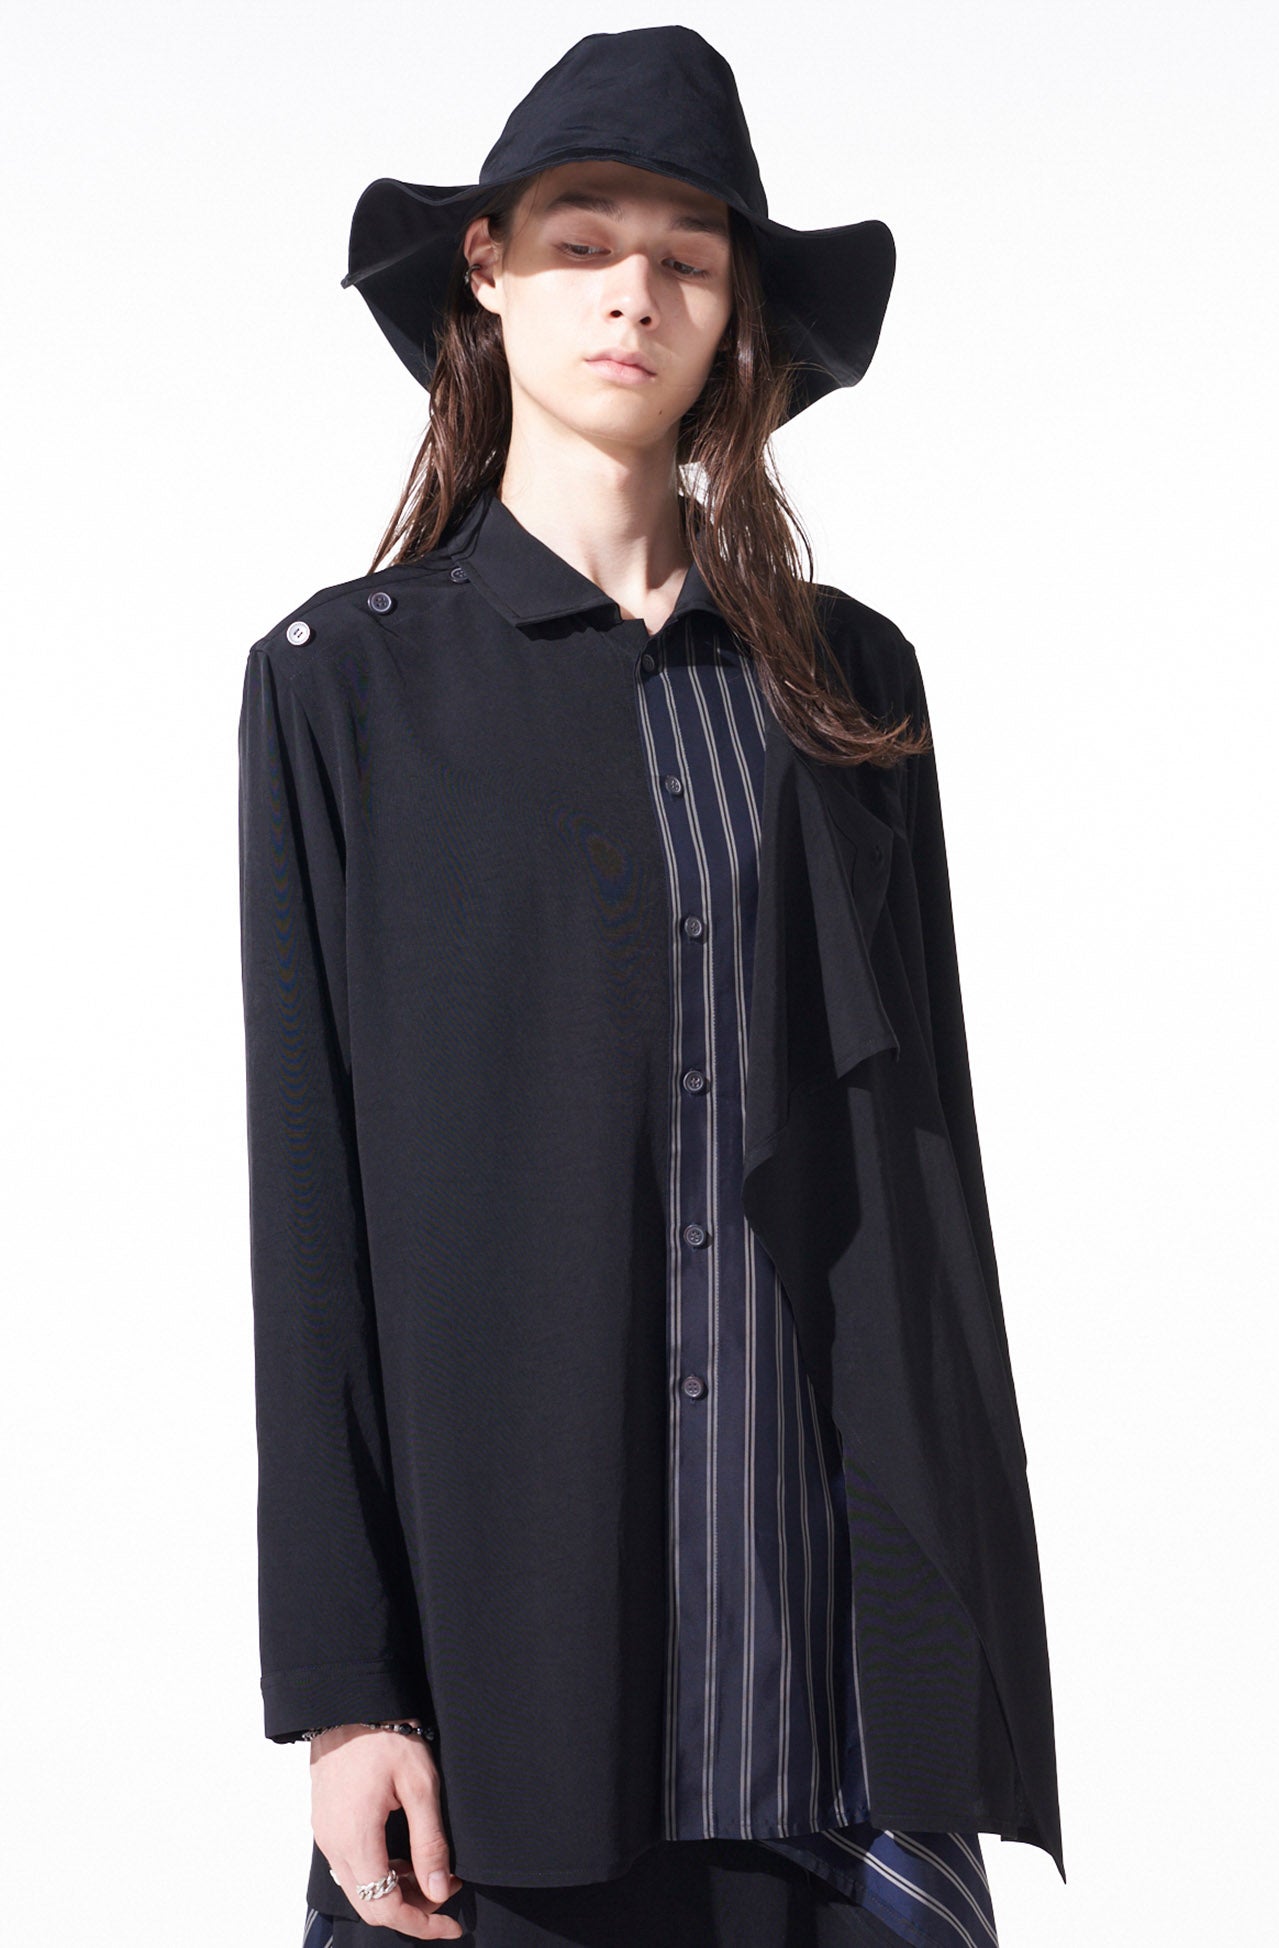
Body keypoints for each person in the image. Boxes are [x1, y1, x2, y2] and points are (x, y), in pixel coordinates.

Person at [237, 26, 1063, 1948]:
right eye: (584, 241)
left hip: (826, 1676)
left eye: (689, 257)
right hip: (504, 1672)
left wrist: (952, 1671)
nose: (635, 294)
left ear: (736, 311)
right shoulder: (342, 688)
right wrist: (346, 1692)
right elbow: (313, 1223)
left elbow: (922, 1186)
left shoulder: (846, 683)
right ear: (488, 268)